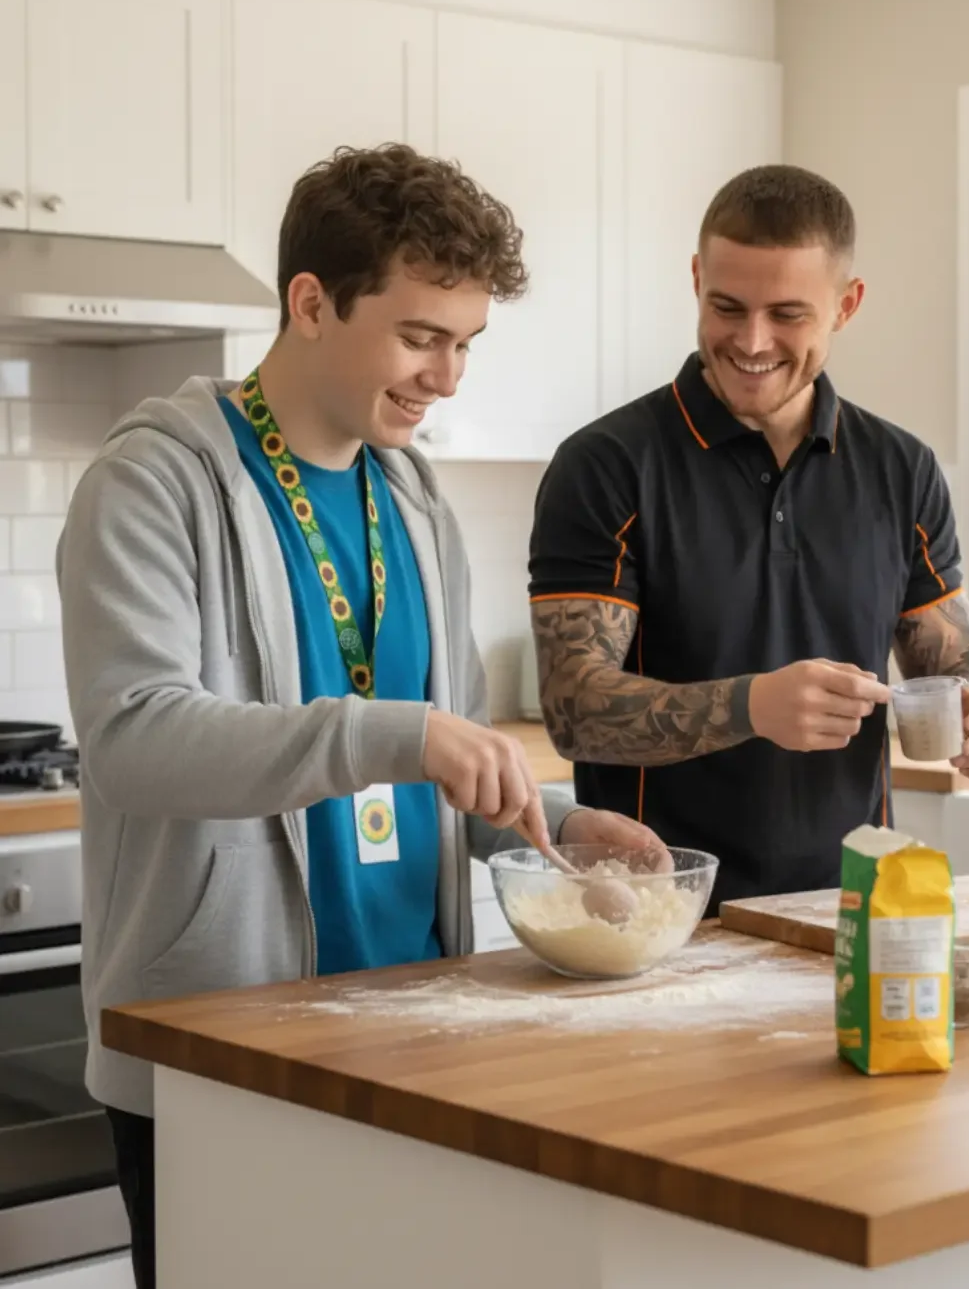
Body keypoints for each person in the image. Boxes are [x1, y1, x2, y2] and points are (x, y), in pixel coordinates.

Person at [57, 143, 667, 1289]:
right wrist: (405, 731)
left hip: (413, 1028)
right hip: (223, 1045)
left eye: (465, 344)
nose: (447, 377)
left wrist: (544, 825)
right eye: (420, 335)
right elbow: (135, 739)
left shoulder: (414, 498)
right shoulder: (154, 481)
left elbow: (442, 763)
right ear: (310, 303)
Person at [527, 163, 969, 914]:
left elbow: (952, 674)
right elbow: (573, 711)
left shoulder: (903, 469)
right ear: (696, 279)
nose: (751, 341)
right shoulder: (606, 465)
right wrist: (752, 707)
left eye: (788, 314)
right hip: (651, 912)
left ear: (847, 304)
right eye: (727, 306)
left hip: (852, 910)